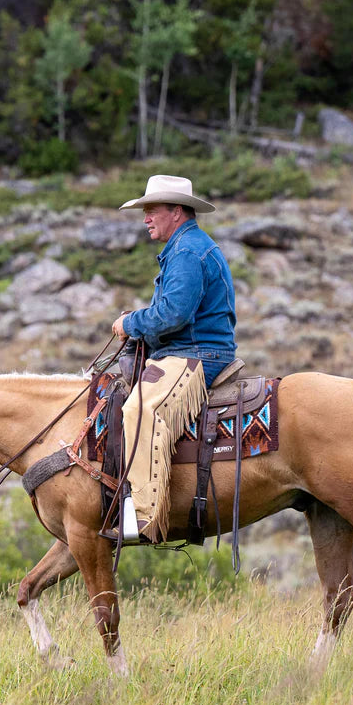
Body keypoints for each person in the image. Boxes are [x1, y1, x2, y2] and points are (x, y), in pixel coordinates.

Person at [107, 174, 237, 545]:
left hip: (196, 355)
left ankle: (144, 517)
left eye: (152, 211)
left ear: (176, 212)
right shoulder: (188, 246)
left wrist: (131, 322)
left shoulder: (186, 252)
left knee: (140, 410)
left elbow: (173, 314)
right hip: (192, 350)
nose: (146, 219)